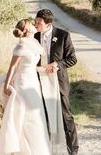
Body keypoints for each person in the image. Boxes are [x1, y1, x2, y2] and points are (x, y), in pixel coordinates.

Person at [0, 19, 51, 155]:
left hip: (33, 83)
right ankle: (21, 149)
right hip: (22, 83)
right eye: (32, 25)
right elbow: (13, 67)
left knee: (35, 115)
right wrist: (6, 85)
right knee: (23, 114)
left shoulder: (33, 44)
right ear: (27, 30)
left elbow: (33, 67)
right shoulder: (21, 46)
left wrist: (46, 69)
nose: (35, 26)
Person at [34, 9, 79, 155]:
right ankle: (48, 149)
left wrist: (57, 64)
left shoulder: (63, 35)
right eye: (35, 22)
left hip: (58, 80)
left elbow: (72, 59)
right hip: (40, 80)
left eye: (39, 23)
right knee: (45, 115)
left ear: (48, 23)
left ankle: (73, 150)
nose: (36, 25)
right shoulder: (34, 36)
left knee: (66, 115)